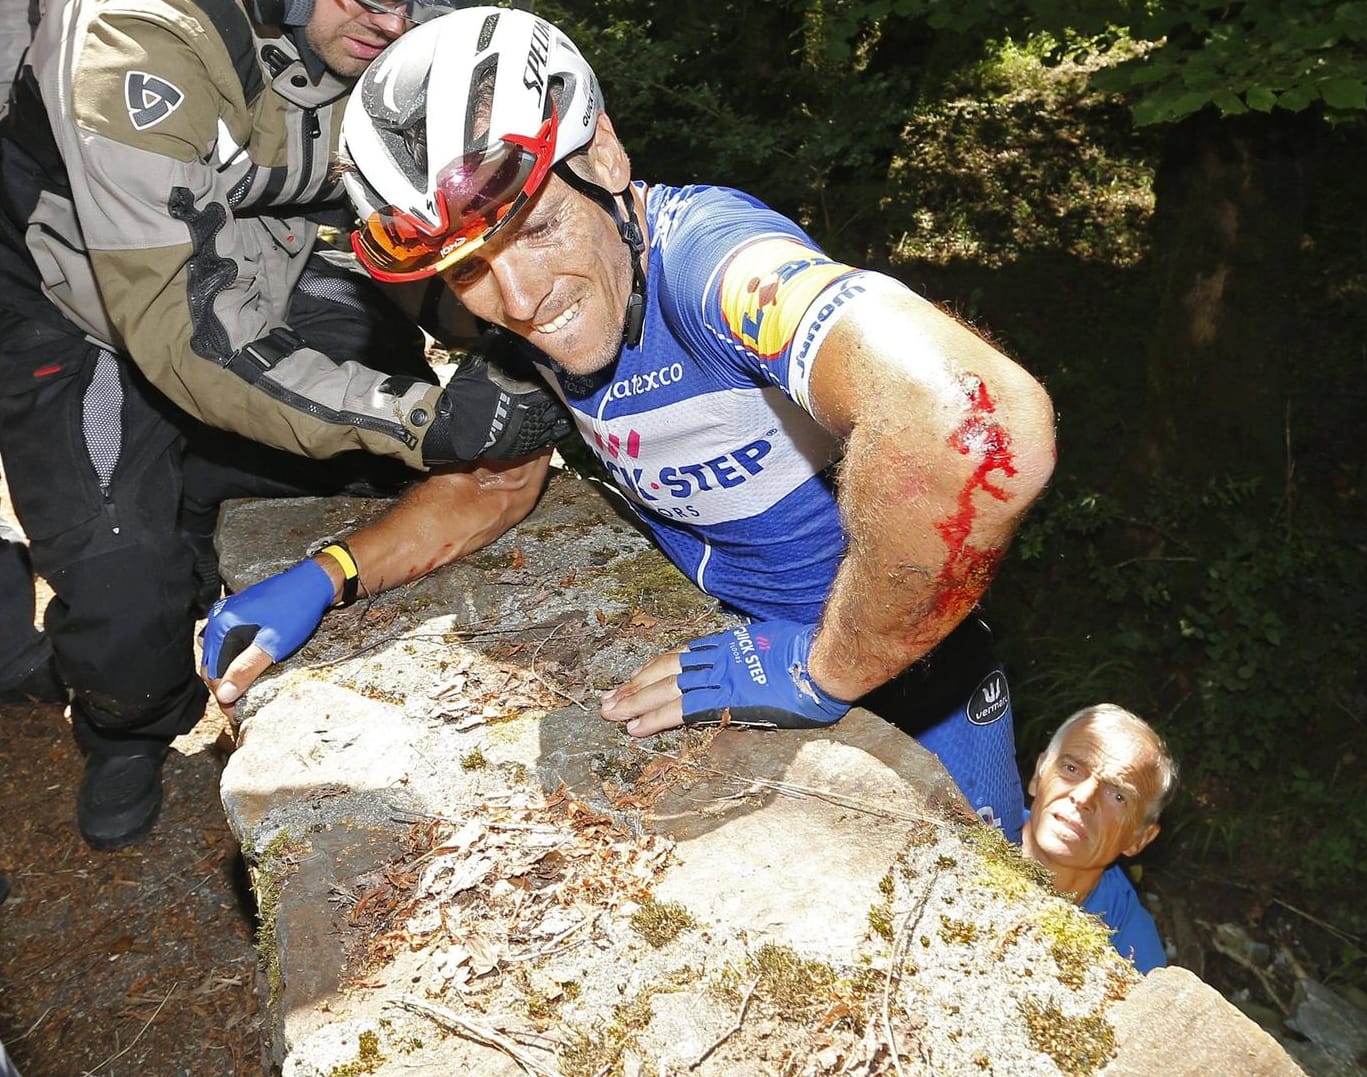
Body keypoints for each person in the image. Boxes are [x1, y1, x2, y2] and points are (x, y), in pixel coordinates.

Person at [202, 7, 1058, 837]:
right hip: (748, 641)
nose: (522, 299)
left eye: (536, 227)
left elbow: (974, 425)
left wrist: (822, 668)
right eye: (467, 270)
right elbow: (499, 484)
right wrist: (328, 574)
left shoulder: (707, 266)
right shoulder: (543, 310)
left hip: (912, 676)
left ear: (603, 155)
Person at [0, 0, 573, 851]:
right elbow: (184, 334)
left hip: (271, 260)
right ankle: (128, 726)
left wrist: (488, 329)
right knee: (122, 599)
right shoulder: (140, 34)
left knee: (370, 468)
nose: (392, 20)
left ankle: (193, 493)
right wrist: (423, 418)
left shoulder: (409, 38)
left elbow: (415, 223)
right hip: (81, 302)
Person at [1022, 704, 1176, 972]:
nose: (1083, 798)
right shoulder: (964, 820)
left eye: (1118, 796)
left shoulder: (1131, 954)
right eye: (1071, 769)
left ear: (1140, 838)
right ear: (1038, 774)